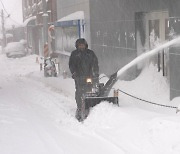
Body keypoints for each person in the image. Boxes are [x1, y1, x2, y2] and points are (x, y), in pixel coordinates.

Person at [69, 38, 99, 121]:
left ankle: (89, 106)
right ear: (77, 46)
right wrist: (74, 73)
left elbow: (95, 64)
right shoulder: (74, 54)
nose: (81, 46)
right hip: (79, 76)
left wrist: (95, 73)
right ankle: (79, 107)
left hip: (89, 76)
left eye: (83, 44)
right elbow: (71, 65)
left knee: (90, 90)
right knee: (79, 91)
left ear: (85, 45)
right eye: (80, 45)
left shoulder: (90, 53)